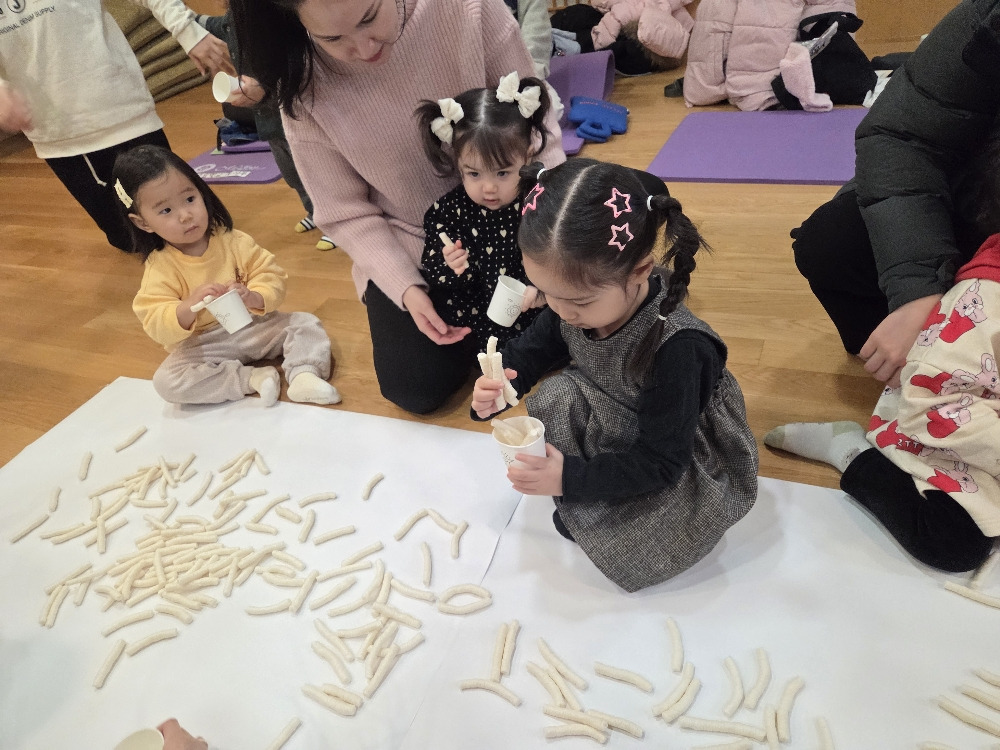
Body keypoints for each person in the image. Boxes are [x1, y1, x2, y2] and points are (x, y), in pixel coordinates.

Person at [228, 0, 566, 415]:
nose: (364, 48)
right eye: (332, 38)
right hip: (415, 241)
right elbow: (344, 211)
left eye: (370, 18)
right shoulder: (301, 80)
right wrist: (406, 287)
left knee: (578, 317)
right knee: (415, 387)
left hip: (518, 220)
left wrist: (550, 241)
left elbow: (539, 132)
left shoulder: (468, 9)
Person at [471, 159, 759, 592]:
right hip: (620, 414)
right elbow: (529, 352)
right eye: (546, 292)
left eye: (578, 302)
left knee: (649, 537)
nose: (560, 310)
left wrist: (568, 478)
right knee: (559, 393)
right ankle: (596, 490)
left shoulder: (680, 349)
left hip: (673, 451)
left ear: (640, 270)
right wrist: (499, 389)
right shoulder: (570, 300)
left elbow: (662, 462)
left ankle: (605, 497)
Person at [790, 0, 1000, 389]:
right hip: (971, 204)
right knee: (830, 243)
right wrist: (918, 290)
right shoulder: (986, 20)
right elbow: (901, 136)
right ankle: (906, 365)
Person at [764, 233, 1000, 574]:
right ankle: (851, 452)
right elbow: (931, 408)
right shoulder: (985, 303)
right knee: (951, 543)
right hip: (947, 432)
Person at [112, 145, 342, 407]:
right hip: (206, 343)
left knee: (305, 323)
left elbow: (270, 273)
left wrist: (254, 296)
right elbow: (154, 320)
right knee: (166, 381)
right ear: (143, 222)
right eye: (166, 211)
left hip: (254, 325)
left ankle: (303, 375)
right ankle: (252, 379)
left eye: (190, 199)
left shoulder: (233, 240)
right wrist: (187, 307)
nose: (186, 215)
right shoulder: (160, 267)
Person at [0, 0, 234, 251]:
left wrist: (187, 29)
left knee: (199, 224)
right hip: (60, 138)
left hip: (124, 110)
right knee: (131, 241)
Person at [415, 71, 551, 352]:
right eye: (474, 174)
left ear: (527, 156)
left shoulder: (540, 199)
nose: (489, 188)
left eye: (502, 173)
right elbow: (434, 269)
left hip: (535, 312)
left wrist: (541, 289)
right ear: (459, 164)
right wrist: (451, 265)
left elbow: (561, 253)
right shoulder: (449, 212)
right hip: (477, 318)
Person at [193, 9, 335, 251]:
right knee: (292, 175)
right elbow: (203, 23)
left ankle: (332, 221)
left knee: (315, 172)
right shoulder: (232, 21)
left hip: (293, 114)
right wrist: (182, 22)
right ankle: (314, 212)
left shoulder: (275, 18)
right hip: (267, 120)